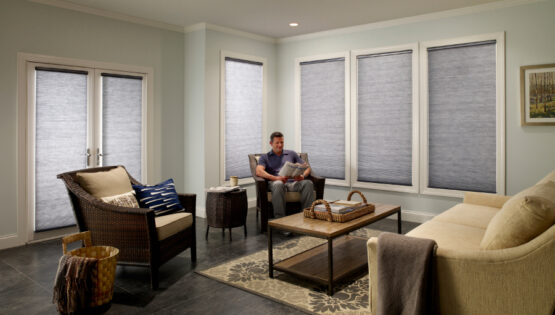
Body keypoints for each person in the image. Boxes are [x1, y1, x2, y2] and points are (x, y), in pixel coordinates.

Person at [256, 131, 314, 218]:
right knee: (278, 184)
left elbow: (307, 167)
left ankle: (306, 216)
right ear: (271, 143)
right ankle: (280, 220)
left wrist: (303, 176)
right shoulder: (265, 157)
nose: (280, 145)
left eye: (282, 142)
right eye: (277, 143)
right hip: (276, 183)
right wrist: (276, 178)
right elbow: (259, 171)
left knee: (308, 183)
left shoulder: (291, 153)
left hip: (293, 183)